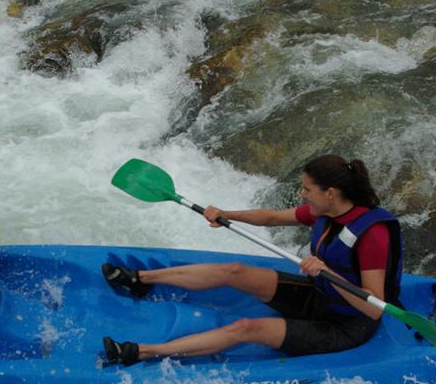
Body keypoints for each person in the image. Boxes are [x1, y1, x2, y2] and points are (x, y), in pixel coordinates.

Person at [101, 155, 402, 366]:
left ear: (331, 193)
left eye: (307, 189)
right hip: (319, 294)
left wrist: (325, 270)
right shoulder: (324, 210)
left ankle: (140, 352)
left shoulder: (372, 234)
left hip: (346, 323)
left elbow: (373, 308)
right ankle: (139, 280)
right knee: (233, 271)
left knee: (247, 327)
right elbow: (270, 217)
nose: (302, 194)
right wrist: (226, 214)